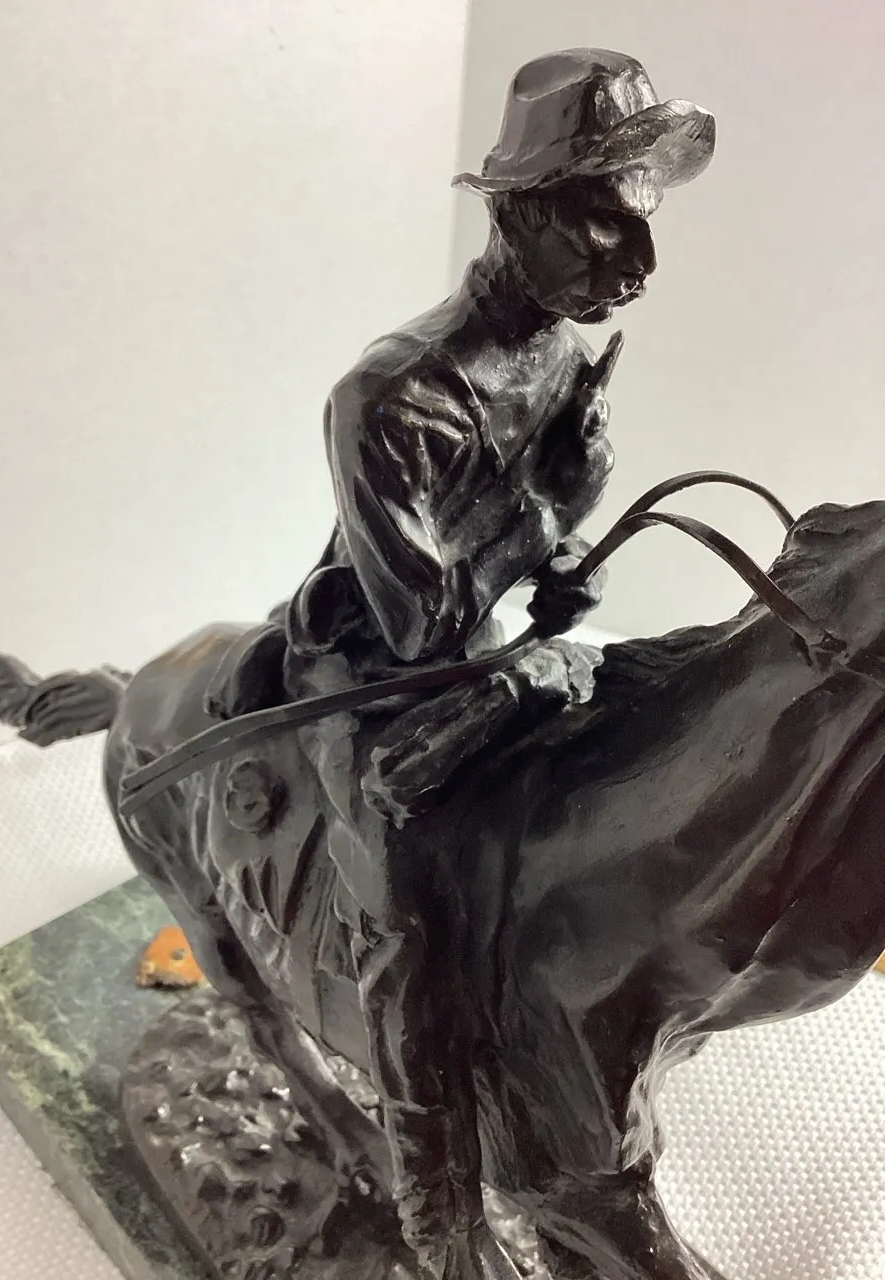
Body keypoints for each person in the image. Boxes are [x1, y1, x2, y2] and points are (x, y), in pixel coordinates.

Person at [214, 48, 715, 1280]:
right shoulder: (389, 395)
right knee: (406, 893)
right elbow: (420, 619)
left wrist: (570, 556)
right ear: (520, 213)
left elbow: (545, 576)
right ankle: (438, 1202)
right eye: (604, 220)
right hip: (373, 677)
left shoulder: (560, 356)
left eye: (643, 216)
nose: (639, 260)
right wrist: (559, 505)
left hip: (496, 659)